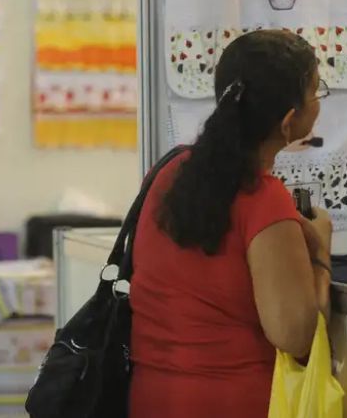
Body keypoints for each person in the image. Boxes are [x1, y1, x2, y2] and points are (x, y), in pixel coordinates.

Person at [129, 29, 334, 418]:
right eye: (316, 93)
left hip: (150, 397)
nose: (319, 102)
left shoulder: (167, 172)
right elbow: (294, 336)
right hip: (232, 401)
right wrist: (321, 253)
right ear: (289, 123)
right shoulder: (264, 199)